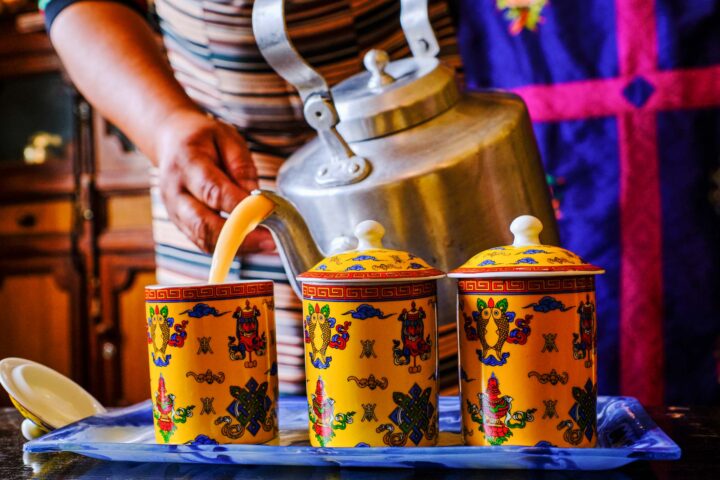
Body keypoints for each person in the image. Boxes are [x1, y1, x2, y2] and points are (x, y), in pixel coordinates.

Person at [42, 0, 462, 393]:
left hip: (423, 153)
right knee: (231, 414)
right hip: (217, 171)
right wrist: (165, 124)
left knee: (442, 398)